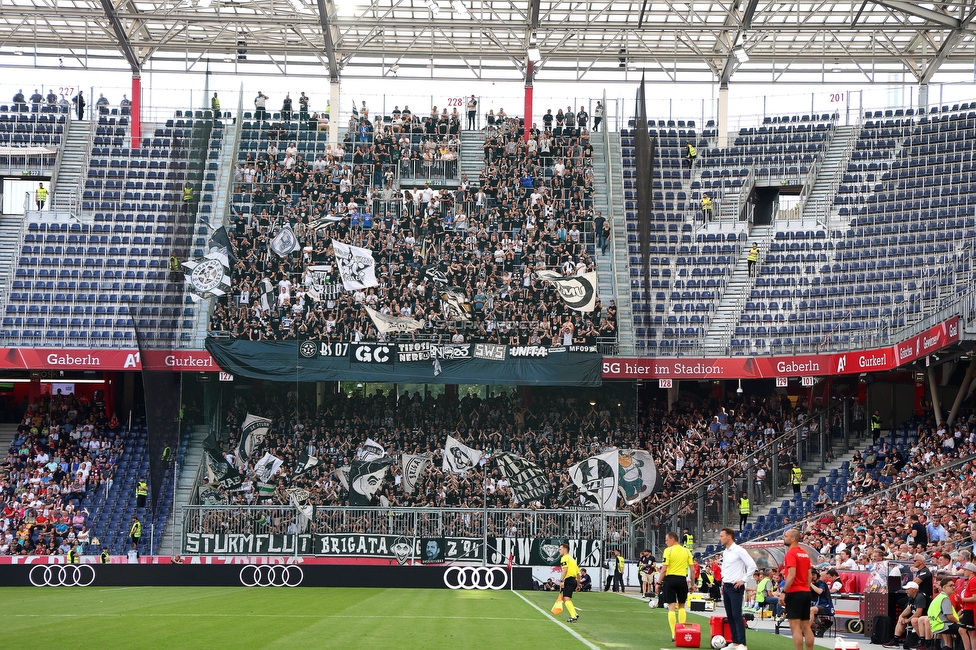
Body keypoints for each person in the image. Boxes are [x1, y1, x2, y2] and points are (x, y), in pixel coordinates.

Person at [720, 527, 757, 650]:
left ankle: (742, 643)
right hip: (727, 585)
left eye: (722, 536)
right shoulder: (726, 551)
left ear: (729, 536)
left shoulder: (739, 550)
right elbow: (725, 568)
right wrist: (723, 580)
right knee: (730, 615)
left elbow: (752, 565)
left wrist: (744, 579)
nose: (720, 538)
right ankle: (735, 642)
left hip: (736, 587)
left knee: (737, 615)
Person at [780, 528, 814, 650]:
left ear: (793, 538)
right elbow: (809, 576)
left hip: (794, 592)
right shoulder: (805, 554)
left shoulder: (791, 553)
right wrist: (805, 587)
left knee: (795, 628)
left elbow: (791, 574)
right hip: (805, 591)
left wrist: (783, 592)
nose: (784, 538)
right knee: (806, 626)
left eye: (786, 536)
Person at [660, 531, 693, 642]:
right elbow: (692, 570)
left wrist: (658, 582)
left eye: (666, 540)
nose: (666, 542)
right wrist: (692, 584)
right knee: (682, 606)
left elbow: (664, 568)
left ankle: (674, 634)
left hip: (670, 579)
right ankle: (682, 630)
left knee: (671, 607)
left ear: (673, 539)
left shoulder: (668, 550)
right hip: (682, 580)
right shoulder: (686, 551)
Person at [886, 581, 928, 648]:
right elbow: (908, 608)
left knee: (914, 620)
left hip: (926, 617)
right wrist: (901, 616)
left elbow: (918, 613)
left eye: (908, 589)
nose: (906, 591)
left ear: (914, 590)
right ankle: (895, 640)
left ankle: (923, 642)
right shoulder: (911, 597)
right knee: (902, 617)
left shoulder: (920, 597)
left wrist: (907, 620)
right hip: (920, 617)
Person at [928, 577, 963, 650]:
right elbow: (950, 617)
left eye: (954, 585)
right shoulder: (945, 598)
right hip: (942, 625)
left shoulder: (939, 597)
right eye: (950, 586)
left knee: (960, 628)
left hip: (936, 625)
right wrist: (959, 622)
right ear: (944, 588)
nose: (953, 587)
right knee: (963, 629)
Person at [551, 542, 580, 623]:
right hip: (573, 580)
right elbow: (578, 575)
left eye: (560, 549)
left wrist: (561, 580)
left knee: (566, 598)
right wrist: (578, 585)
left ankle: (573, 616)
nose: (559, 551)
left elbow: (565, 570)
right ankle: (574, 614)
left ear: (564, 549)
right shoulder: (573, 560)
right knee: (566, 598)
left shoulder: (564, 558)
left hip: (568, 580)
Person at [958, 563, 976, 650]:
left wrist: (961, 599)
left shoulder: (973, 581)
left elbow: (974, 598)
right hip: (968, 609)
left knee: (962, 630)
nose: (964, 572)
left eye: (965, 570)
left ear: (971, 571)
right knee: (971, 632)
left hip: (970, 609)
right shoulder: (971, 581)